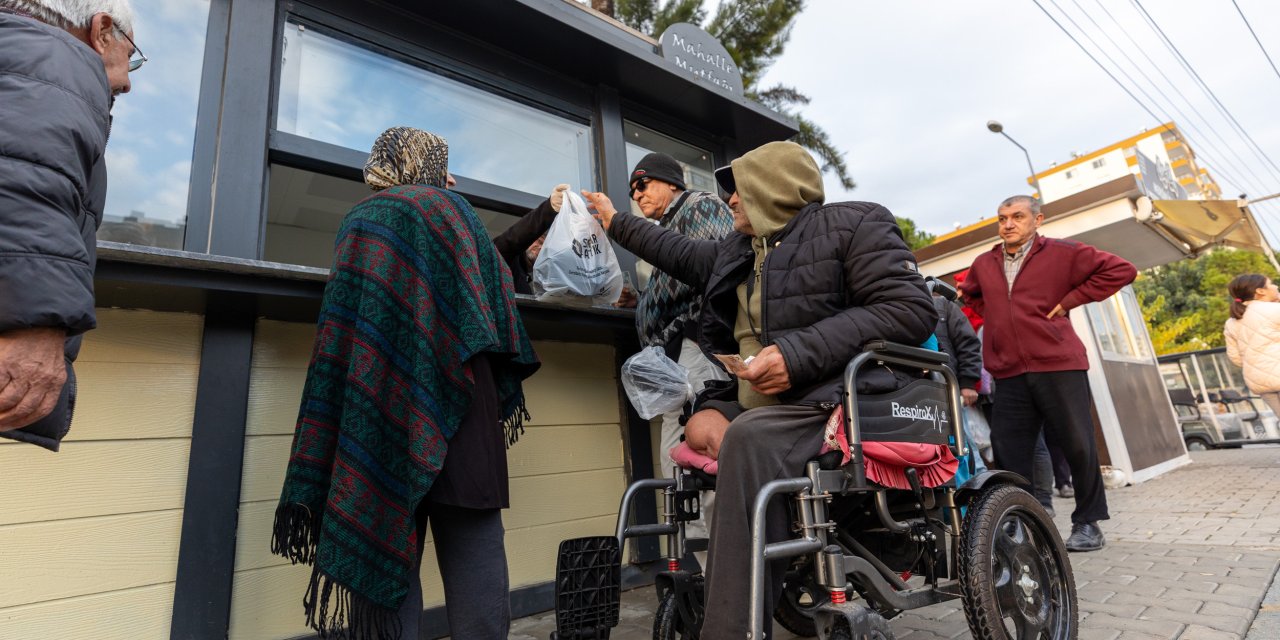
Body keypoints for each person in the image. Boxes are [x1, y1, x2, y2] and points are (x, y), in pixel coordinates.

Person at [582, 140, 936, 639]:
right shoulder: (739, 251)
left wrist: (797, 355)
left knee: (749, 441)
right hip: (763, 401)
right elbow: (675, 250)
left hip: (835, 397)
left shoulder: (856, 223)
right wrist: (614, 220)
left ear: (775, 187)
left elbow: (909, 310)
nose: (728, 200)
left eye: (740, 189)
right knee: (699, 423)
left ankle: (729, 627)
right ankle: (773, 533)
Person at [272, 127, 540, 640]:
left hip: (382, 403)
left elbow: (346, 329)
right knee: (475, 547)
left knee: (382, 539)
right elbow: (499, 297)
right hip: (463, 401)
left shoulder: (361, 219)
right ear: (434, 165)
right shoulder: (457, 214)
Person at [959, 194, 1136, 552]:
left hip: (1059, 363)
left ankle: (1088, 523)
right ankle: (1022, 524)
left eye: (1018, 216)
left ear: (1037, 220)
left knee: (1078, 444)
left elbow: (1122, 270)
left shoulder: (1063, 253)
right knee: (1008, 451)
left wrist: (1070, 301)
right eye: (1002, 217)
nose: (1008, 223)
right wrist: (997, 317)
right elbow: (973, 295)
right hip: (1008, 371)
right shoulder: (984, 262)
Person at [0, 0, 139, 450]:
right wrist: (33, 325)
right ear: (101, 31)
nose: (129, 80)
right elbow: (21, 178)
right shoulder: (48, 60)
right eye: (131, 53)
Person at [492, 184, 569, 295]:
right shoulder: (507, 260)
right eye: (538, 241)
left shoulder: (532, 281)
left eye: (545, 246)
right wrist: (550, 208)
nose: (540, 247)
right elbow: (512, 239)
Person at [1223, 273, 1280, 419]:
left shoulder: (1231, 322)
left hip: (1259, 383)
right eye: (1271, 283)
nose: (1276, 286)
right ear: (1260, 291)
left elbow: (1235, 358)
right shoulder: (1274, 311)